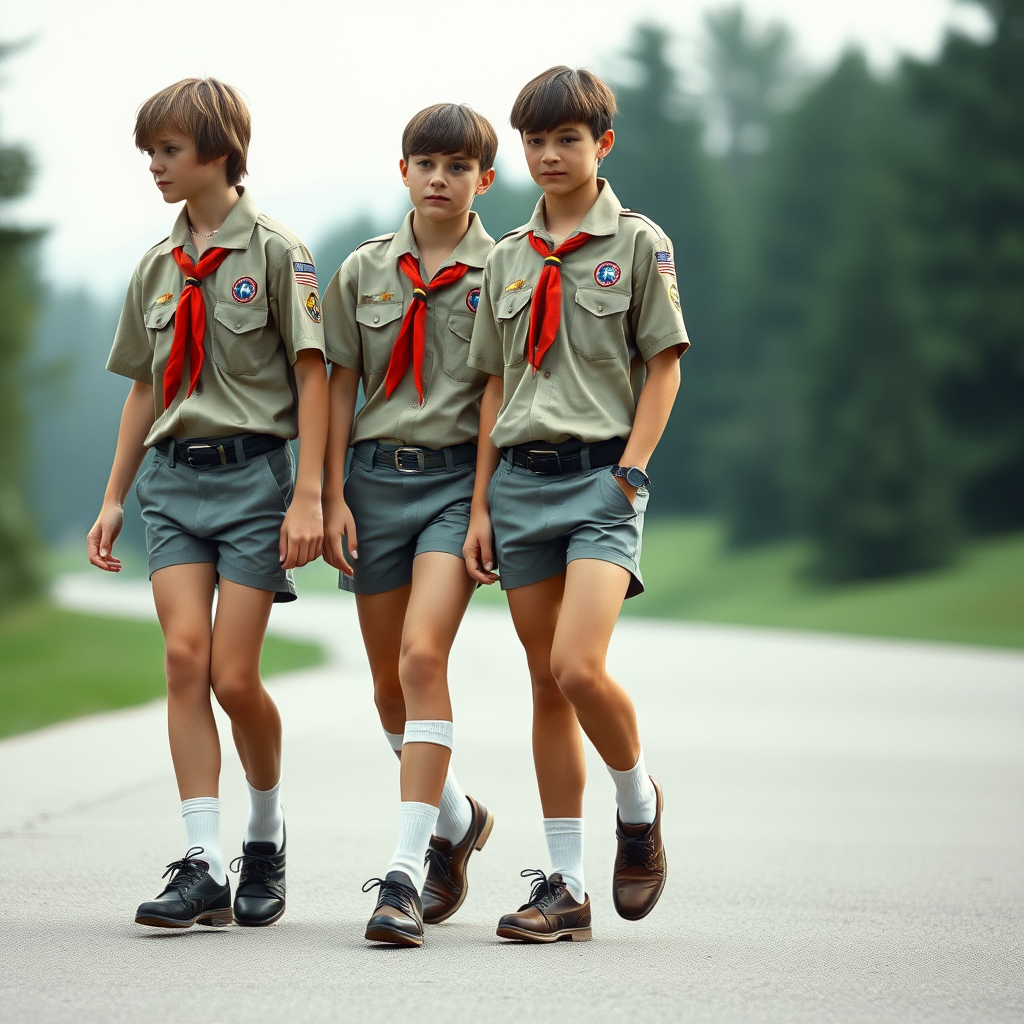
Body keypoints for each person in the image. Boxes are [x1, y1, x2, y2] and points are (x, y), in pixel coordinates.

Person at [87, 78, 328, 929]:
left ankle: (265, 833)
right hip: (174, 488)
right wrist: (115, 497)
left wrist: (309, 495)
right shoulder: (156, 267)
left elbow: (312, 375)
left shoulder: (276, 253)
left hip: (255, 481)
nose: (155, 166)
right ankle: (202, 862)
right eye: (150, 152)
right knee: (184, 661)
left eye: (170, 151)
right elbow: (143, 391)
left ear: (220, 153)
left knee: (234, 676)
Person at [464, 66, 688, 942]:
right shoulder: (508, 258)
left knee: (577, 667)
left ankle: (638, 804)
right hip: (519, 485)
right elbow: (493, 385)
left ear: (603, 143)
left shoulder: (637, 243)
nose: (549, 155)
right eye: (535, 140)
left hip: (602, 483)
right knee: (544, 686)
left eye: (567, 139)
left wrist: (632, 472)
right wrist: (481, 502)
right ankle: (564, 887)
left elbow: (664, 360)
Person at [321, 103, 498, 947]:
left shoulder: (504, 271)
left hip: (453, 488)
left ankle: (402, 873)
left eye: (458, 166)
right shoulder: (362, 272)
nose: (440, 178)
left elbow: (502, 398)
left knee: (424, 656)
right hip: (371, 486)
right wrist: (325, 497)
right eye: (426, 163)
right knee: (391, 688)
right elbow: (337, 390)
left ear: (484, 180)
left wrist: (487, 506)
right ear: (403, 172)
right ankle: (460, 817)